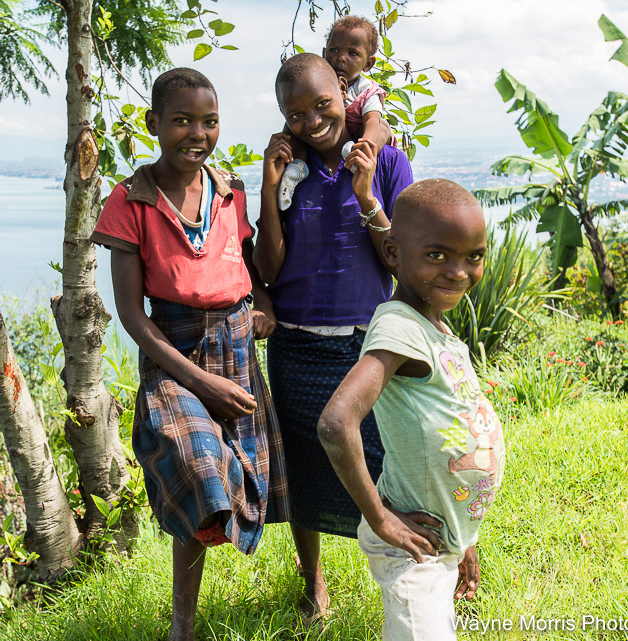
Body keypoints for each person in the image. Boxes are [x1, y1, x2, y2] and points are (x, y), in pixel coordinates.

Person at [89, 67, 289, 641]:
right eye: (181, 121)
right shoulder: (130, 202)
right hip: (174, 354)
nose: (197, 134)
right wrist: (203, 384)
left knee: (254, 474)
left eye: (209, 121)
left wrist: (262, 306)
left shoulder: (228, 191)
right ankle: (183, 625)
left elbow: (247, 267)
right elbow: (133, 316)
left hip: (237, 346)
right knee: (199, 465)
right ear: (154, 123)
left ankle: (306, 587)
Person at [253, 52, 413, 625]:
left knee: (389, 463)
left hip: (366, 345)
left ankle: (416, 569)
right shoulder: (288, 170)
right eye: (295, 113)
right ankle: (313, 582)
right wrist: (269, 188)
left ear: (344, 92)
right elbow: (267, 268)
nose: (312, 121)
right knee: (302, 468)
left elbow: (400, 262)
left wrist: (367, 193)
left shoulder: (387, 161)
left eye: (322, 105)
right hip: (295, 347)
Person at [317, 180, 505, 641]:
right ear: (393, 253)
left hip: (440, 539)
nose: (458, 272)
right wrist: (380, 519)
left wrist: (464, 541)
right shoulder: (400, 326)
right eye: (437, 255)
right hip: (411, 549)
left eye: (473, 256)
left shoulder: (432, 325)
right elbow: (336, 423)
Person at [277, 15, 393, 210]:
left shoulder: (367, 90)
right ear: (324, 53)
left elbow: (372, 121)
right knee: (295, 128)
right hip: (327, 141)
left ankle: (361, 157)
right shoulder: (317, 85)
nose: (341, 58)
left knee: (382, 127)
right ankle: (297, 168)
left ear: (368, 64)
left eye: (352, 53)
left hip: (359, 137)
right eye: (334, 50)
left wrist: (364, 145)